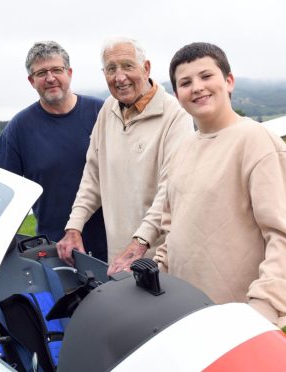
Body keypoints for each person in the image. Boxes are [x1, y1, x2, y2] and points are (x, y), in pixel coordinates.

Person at [154, 42, 286, 328]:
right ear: (177, 95)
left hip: (240, 318)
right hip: (185, 311)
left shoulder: (257, 141)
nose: (197, 87)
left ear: (228, 81)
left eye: (206, 76)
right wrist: (157, 273)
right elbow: (172, 229)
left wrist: (263, 308)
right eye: (186, 82)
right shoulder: (182, 150)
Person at [0, 41, 108, 261]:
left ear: (69, 73)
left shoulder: (101, 113)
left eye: (57, 70)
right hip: (58, 249)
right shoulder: (20, 128)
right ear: (31, 81)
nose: (50, 78)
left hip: (113, 243)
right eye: (41, 72)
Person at [56, 37, 194, 270]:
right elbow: (93, 176)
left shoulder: (176, 116)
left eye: (128, 66)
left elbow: (170, 190)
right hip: (119, 258)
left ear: (146, 67)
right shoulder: (108, 110)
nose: (120, 77)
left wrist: (140, 242)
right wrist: (74, 227)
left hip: (161, 258)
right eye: (111, 69)